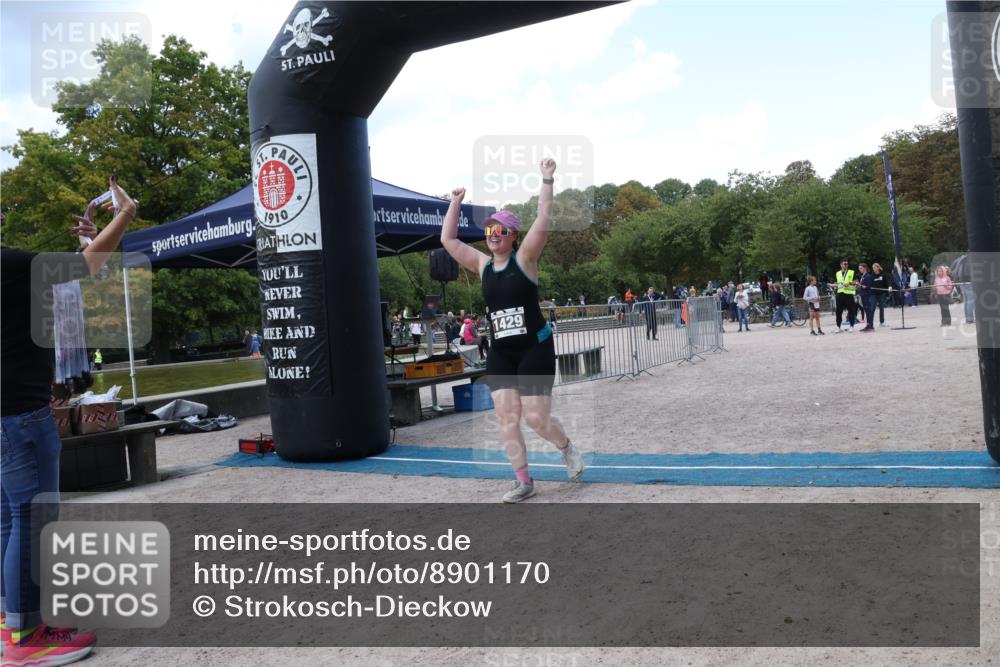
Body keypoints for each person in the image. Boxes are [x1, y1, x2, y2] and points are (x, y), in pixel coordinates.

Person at [2, 175, 136, 666]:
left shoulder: (14, 269)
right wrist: (125, 215)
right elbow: (90, 266)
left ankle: (13, 624)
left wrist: (87, 237)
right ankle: (27, 642)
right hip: (19, 414)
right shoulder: (11, 264)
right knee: (32, 521)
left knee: (6, 522)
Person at [439, 158, 583, 503]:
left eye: (499, 230)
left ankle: (565, 446)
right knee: (506, 417)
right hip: (502, 352)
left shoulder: (525, 259)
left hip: (535, 347)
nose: (492, 236)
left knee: (535, 418)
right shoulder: (481, 265)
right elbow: (448, 239)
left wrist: (547, 180)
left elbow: (544, 219)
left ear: (512, 236)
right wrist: (455, 202)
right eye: (488, 231)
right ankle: (524, 481)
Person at [829, 259, 857, 332]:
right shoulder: (837, 273)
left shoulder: (851, 272)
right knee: (838, 311)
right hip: (840, 293)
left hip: (849, 293)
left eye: (847, 264)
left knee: (851, 310)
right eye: (845, 264)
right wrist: (832, 285)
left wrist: (850, 282)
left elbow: (856, 281)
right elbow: (837, 283)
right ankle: (838, 327)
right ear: (841, 264)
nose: (846, 265)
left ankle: (851, 326)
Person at [857, 263, 876, 332]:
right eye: (859, 268)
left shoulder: (867, 276)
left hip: (867, 295)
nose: (860, 270)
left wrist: (860, 285)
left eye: (861, 268)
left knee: (868, 311)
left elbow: (868, 286)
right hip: (863, 295)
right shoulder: (863, 275)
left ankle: (871, 326)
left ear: (865, 268)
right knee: (867, 311)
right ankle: (868, 325)